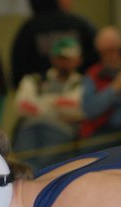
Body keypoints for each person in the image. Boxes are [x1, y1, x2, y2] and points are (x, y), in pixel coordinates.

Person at [13, 36, 85, 171]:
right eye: (59, 57)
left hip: (61, 131)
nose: (63, 62)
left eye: (67, 58)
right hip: (29, 128)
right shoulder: (34, 79)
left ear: (78, 60)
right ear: (52, 58)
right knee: (22, 163)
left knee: (46, 166)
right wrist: (57, 104)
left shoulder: (83, 83)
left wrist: (40, 103)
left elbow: (79, 108)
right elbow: (21, 105)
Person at [9, 0, 97, 89]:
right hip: (76, 93)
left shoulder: (27, 29)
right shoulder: (82, 26)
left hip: (41, 94)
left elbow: (18, 71)